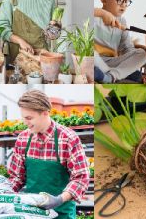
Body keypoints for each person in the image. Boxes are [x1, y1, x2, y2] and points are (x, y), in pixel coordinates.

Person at [8, 89, 90, 219]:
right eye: (24, 118)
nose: (25, 123)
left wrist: (59, 199)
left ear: (45, 113)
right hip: (32, 214)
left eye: (29, 118)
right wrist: (1, 194)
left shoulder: (68, 138)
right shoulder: (23, 139)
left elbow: (81, 177)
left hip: (62, 214)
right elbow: (17, 177)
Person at [94, 0, 146, 83]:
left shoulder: (122, 21)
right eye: (119, 0)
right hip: (96, 60)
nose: (123, 5)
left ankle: (110, 77)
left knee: (143, 53)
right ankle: (114, 75)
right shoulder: (95, 16)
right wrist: (102, 13)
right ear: (104, 0)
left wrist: (133, 64)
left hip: (113, 62)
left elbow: (128, 48)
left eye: (126, 1)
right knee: (91, 55)